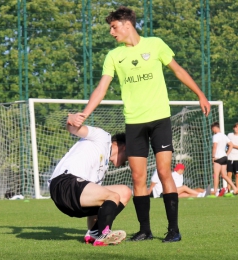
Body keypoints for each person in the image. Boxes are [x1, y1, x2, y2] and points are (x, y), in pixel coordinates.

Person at [68, 6, 210, 243]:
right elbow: (102, 88)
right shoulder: (114, 56)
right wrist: (84, 113)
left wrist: (200, 94)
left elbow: (177, 70)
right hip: (134, 124)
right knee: (137, 177)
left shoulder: (155, 44)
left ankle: (173, 230)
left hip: (160, 120)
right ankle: (145, 230)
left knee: (165, 172)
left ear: (127, 24)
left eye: (114, 27)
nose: (112, 33)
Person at [49, 114, 132, 246]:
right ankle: (104, 234)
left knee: (125, 192)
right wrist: (71, 121)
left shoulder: (103, 167)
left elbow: (96, 203)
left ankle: (94, 233)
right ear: (125, 147)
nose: (127, 162)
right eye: (129, 157)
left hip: (75, 200)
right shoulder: (103, 137)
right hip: (64, 183)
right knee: (112, 195)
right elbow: (74, 129)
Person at [211, 122, 238, 195]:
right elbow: (231, 145)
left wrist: (213, 156)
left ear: (215, 128)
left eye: (212, 129)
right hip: (224, 157)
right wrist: (227, 154)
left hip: (218, 157)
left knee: (216, 174)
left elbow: (215, 146)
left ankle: (215, 191)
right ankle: (234, 188)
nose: (212, 131)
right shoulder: (224, 136)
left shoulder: (215, 136)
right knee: (224, 175)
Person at [227, 123, 238, 192]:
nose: (236, 129)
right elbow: (227, 143)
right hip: (229, 158)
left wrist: (232, 145)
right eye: (235, 127)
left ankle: (236, 190)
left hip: (237, 158)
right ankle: (228, 190)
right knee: (229, 175)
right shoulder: (229, 135)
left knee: (237, 175)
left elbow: (231, 145)